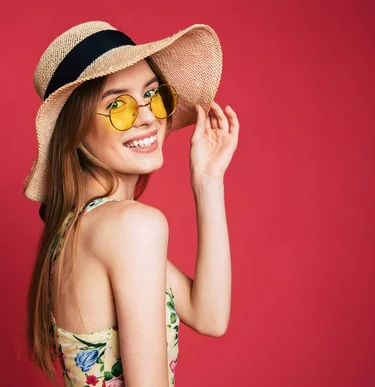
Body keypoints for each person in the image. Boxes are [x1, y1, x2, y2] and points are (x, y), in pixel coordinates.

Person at [24, 21, 239, 386]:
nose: (147, 116)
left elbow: (210, 316)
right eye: (118, 105)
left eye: (153, 95)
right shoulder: (131, 227)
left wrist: (208, 180)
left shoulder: (78, 230)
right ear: (75, 129)